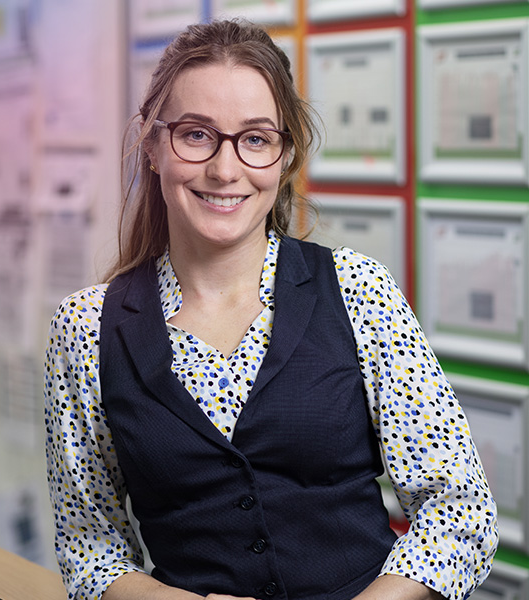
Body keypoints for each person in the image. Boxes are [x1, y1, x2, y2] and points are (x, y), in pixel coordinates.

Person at [44, 19, 497, 600]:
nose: (225, 169)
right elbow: (90, 546)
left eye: (255, 139)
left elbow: (458, 509)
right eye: (196, 134)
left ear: (286, 156)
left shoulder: (359, 291)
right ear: (154, 146)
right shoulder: (85, 330)